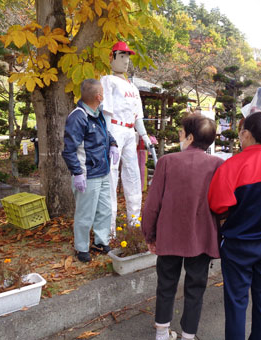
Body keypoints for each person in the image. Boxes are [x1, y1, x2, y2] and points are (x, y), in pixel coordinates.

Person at [208, 112, 261, 340]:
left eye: (241, 133)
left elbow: (218, 206)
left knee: (236, 302)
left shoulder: (232, 166)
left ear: (246, 134)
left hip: (239, 245)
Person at [142, 115, 224, 340]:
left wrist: (149, 234)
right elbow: (222, 204)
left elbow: (152, 204)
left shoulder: (167, 161)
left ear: (190, 137)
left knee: (166, 285)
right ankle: (188, 335)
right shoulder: (218, 165)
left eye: (181, 133)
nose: (180, 137)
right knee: (195, 289)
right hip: (202, 237)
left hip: (169, 236)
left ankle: (161, 333)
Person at [62, 79, 119, 262]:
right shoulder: (78, 117)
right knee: (85, 214)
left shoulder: (97, 114)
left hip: (102, 171)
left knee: (105, 210)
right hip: (87, 174)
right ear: (98, 96)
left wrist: (113, 144)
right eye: (103, 93)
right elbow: (69, 149)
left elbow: (105, 133)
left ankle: (101, 241)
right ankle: (81, 247)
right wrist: (77, 173)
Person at [100, 41, 152, 231]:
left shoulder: (133, 87)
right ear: (112, 58)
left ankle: (134, 222)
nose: (125, 61)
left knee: (132, 175)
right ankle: (110, 227)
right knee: (111, 175)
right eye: (121, 57)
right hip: (114, 128)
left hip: (130, 132)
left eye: (127, 57)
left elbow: (138, 115)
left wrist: (144, 135)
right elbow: (106, 110)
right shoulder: (108, 80)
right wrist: (106, 136)